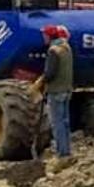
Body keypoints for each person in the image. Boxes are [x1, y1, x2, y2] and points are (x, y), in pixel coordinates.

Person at [34, 24, 74, 160]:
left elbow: (50, 73)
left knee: (57, 124)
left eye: (44, 35)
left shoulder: (53, 50)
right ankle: (67, 151)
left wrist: (40, 82)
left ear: (49, 36)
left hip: (56, 91)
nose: (43, 37)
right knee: (65, 122)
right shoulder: (66, 48)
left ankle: (61, 153)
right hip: (67, 89)